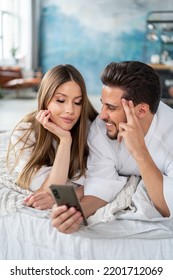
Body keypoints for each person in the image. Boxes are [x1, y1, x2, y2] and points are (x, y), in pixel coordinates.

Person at [51, 61, 173, 234]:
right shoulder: (101, 129)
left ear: (141, 111)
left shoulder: (169, 137)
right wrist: (77, 214)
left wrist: (139, 152)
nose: (101, 115)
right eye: (103, 103)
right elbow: (101, 183)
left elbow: (167, 207)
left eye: (111, 107)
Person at [6, 64, 98, 210]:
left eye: (77, 102)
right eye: (61, 100)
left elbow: (103, 179)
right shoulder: (24, 133)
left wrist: (59, 197)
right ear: (45, 99)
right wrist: (65, 140)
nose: (70, 111)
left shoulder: (91, 129)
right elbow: (48, 190)